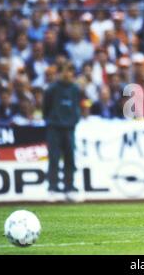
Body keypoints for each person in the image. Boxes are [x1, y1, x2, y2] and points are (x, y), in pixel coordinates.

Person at [43, 62, 81, 194]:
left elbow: (76, 106)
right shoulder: (52, 89)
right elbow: (46, 108)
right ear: (59, 73)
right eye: (65, 71)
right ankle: (53, 186)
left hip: (69, 128)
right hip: (55, 127)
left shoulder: (75, 89)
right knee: (54, 157)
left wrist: (74, 120)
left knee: (70, 157)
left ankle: (69, 185)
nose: (67, 74)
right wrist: (51, 120)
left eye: (70, 71)